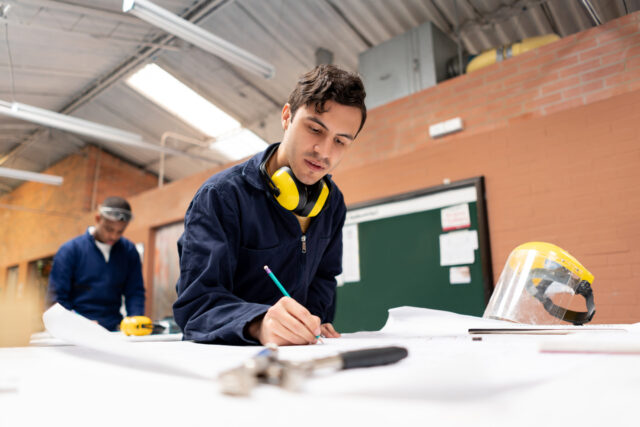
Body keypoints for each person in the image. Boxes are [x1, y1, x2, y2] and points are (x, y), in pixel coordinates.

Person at [174, 64, 367, 346]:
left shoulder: (332, 203)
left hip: (299, 355)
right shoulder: (222, 196)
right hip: (229, 359)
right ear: (287, 116)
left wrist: (312, 321)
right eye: (315, 129)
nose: (324, 151)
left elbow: (324, 278)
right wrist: (257, 323)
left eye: (340, 141)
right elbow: (196, 305)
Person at [48, 196, 145, 331]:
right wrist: (77, 323)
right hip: (75, 329)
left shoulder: (129, 252)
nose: (114, 236)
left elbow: (135, 292)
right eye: (109, 229)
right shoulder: (70, 250)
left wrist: (135, 322)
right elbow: (57, 299)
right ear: (98, 219)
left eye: (120, 231)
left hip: (113, 329)